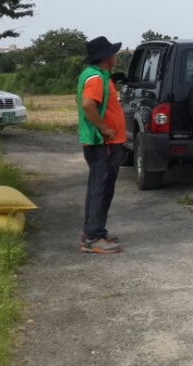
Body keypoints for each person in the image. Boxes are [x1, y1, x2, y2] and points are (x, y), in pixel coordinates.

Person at [77, 36, 127, 254]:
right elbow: (88, 105)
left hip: (104, 142)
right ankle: (94, 238)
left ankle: (92, 232)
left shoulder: (98, 76)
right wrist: (104, 128)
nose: (116, 56)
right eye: (114, 53)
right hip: (102, 143)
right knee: (101, 189)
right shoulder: (96, 78)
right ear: (107, 57)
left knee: (98, 187)